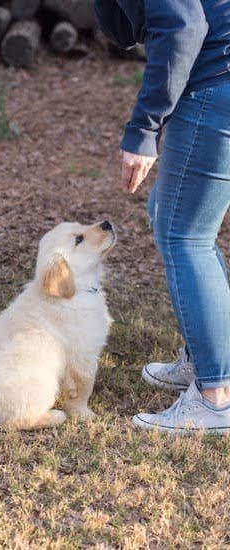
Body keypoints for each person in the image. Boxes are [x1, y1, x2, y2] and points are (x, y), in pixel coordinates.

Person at [94, 0, 230, 433]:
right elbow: (126, 30)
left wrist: (144, 128)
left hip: (217, 81)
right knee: (174, 217)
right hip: (218, 77)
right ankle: (209, 357)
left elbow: (181, 25)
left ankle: (216, 398)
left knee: (185, 235)